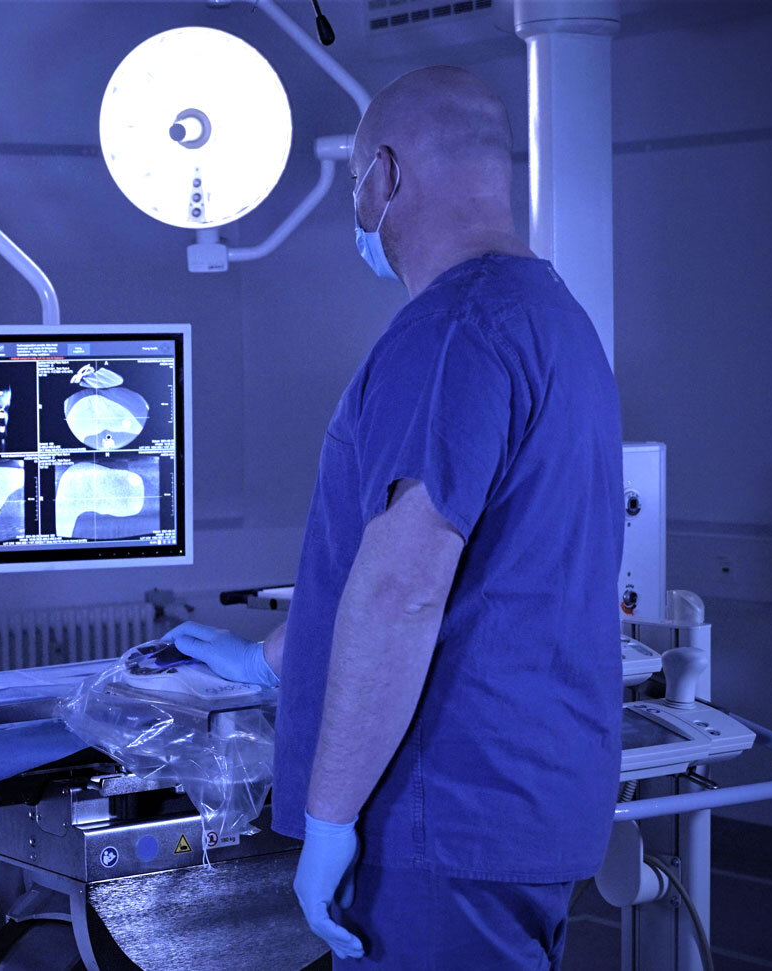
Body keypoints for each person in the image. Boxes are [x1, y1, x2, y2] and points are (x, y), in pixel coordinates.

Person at [165, 65, 623, 969]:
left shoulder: (449, 332)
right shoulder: (554, 319)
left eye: (351, 182)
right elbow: (461, 560)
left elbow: (401, 591)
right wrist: (268, 661)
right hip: (532, 801)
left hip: (441, 814)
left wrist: (330, 815)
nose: (357, 205)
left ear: (384, 174)